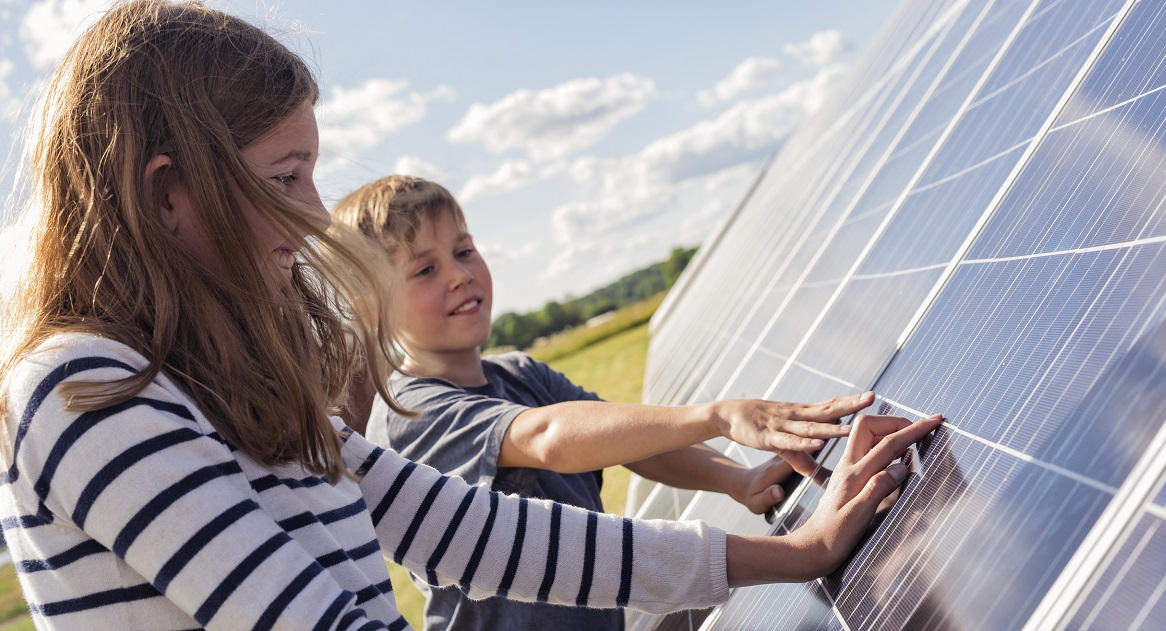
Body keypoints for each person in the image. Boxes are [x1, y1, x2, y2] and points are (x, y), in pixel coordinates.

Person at [0, 2, 942, 630]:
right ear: (171, 196)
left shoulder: (223, 386)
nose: (316, 215)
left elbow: (482, 535)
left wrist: (791, 553)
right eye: (285, 178)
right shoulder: (87, 390)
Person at [332, 175, 868, 629]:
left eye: (464, 249)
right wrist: (717, 416)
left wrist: (737, 479)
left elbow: (632, 445)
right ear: (372, 307)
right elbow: (548, 438)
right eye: (425, 270)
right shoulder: (409, 413)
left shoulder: (518, 373)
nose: (458, 274)